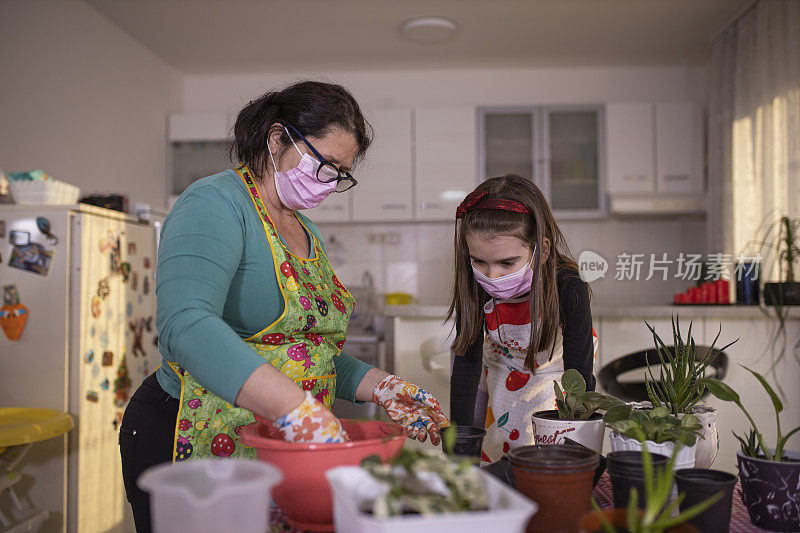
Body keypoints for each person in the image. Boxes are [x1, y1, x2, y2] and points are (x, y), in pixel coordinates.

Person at [120, 81, 448, 532]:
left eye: (341, 174)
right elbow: (186, 325)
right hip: (189, 428)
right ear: (278, 139)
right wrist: (297, 409)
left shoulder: (305, 229)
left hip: (273, 438)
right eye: (326, 165)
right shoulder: (215, 202)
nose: (331, 185)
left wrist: (381, 386)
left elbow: (307, 349)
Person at [447, 175, 596, 464]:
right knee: (501, 461)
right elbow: (466, 370)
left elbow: (580, 374)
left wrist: (577, 448)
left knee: (546, 465)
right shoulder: (476, 288)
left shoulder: (568, 287)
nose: (492, 276)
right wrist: (460, 452)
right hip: (504, 384)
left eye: (507, 263)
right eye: (479, 261)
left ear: (542, 250)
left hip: (558, 389)